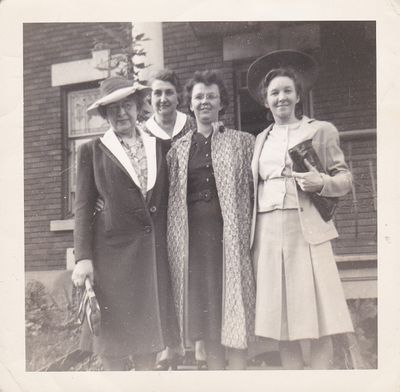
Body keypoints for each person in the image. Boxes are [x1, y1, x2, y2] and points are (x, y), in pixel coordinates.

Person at [247, 50, 354, 369]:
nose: (281, 97)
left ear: (298, 95)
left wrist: (320, 182)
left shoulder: (319, 130)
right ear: (266, 100)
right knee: (282, 321)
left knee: (319, 319)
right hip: (267, 233)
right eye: (274, 92)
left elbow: (345, 178)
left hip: (305, 231)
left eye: (287, 91)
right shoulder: (260, 139)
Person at [71, 76, 178, 371]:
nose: (122, 114)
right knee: (112, 345)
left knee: (147, 344)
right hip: (111, 258)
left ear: (138, 107)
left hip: (150, 255)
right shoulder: (92, 151)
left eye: (127, 106)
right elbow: (82, 207)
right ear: (105, 114)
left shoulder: (160, 145)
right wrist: (83, 258)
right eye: (113, 109)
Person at [167, 70, 256, 370]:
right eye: (199, 97)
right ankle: (217, 373)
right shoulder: (178, 150)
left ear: (222, 103)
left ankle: (239, 372)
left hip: (229, 234)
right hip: (195, 238)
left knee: (235, 298)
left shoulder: (243, 142)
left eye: (212, 96)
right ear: (189, 104)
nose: (205, 102)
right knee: (208, 305)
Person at [143, 68, 206, 370]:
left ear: (179, 96)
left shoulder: (192, 127)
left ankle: (198, 343)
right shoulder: (142, 134)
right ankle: (167, 346)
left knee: (192, 274)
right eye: (157, 93)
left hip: (191, 210)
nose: (163, 98)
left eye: (169, 92)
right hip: (155, 215)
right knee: (163, 277)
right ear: (149, 99)